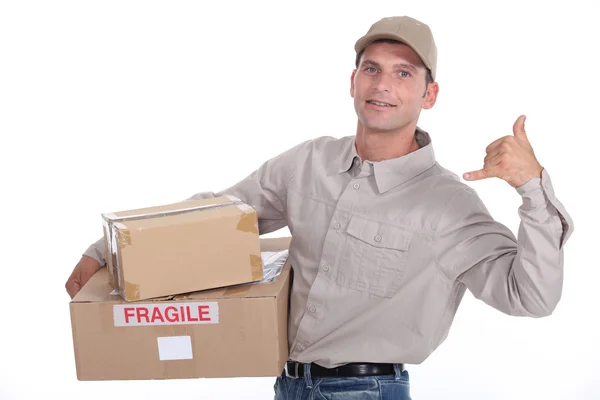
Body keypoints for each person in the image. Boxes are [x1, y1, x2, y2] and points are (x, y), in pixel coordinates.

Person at [65, 15, 574, 399]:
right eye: (371, 69)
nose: (382, 84)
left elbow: (530, 296)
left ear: (430, 93)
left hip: (366, 392)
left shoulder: (449, 207)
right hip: (288, 385)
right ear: (352, 82)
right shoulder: (307, 163)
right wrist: (109, 250)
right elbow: (216, 218)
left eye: (403, 73)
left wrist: (532, 188)